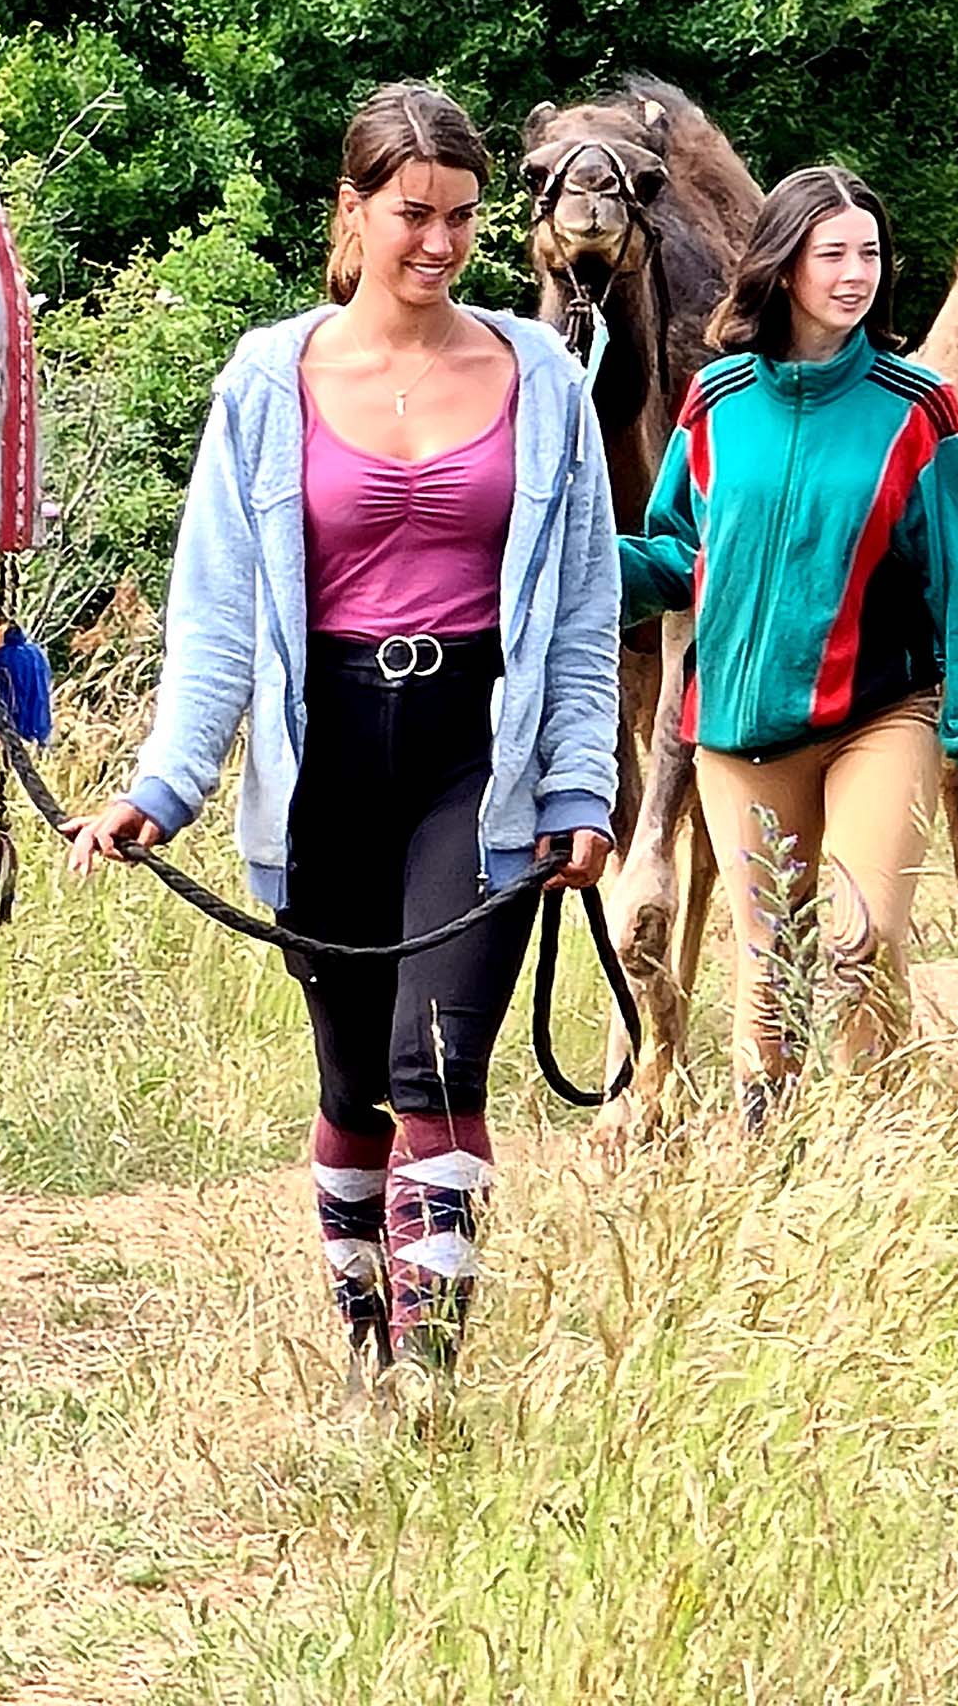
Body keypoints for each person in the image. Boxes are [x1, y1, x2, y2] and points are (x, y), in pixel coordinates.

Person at [69, 84, 620, 1392]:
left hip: (479, 751)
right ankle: (368, 1342)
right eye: (412, 215)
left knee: (433, 1057)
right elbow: (215, 616)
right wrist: (165, 786)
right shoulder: (270, 380)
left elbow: (585, 609)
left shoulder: (540, 379)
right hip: (325, 754)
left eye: (462, 219)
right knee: (352, 1077)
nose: (437, 243)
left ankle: (428, 1385)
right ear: (355, 210)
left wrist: (582, 783)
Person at [619, 165, 958, 1125]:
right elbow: (680, 550)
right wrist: (578, 564)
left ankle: (875, 1142)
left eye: (868, 253)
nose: (854, 273)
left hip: (883, 712)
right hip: (739, 730)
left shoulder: (917, 406)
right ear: (782, 267)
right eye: (830, 253)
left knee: (862, 935)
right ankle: (778, 1166)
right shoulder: (713, 401)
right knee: (770, 976)